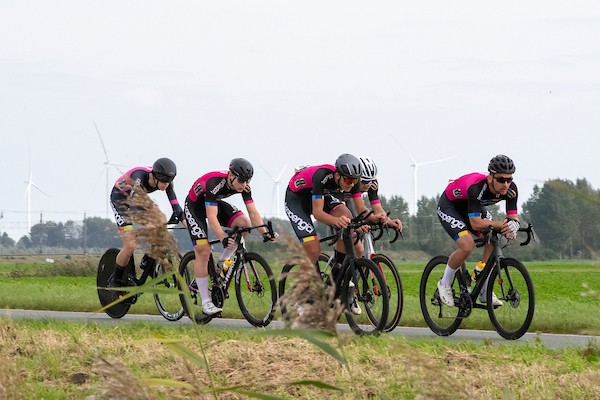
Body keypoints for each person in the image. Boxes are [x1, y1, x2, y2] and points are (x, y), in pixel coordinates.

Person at [184, 158, 278, 315]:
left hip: (213, 203)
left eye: (247, 181)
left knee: (244, 224)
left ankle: (223, 262)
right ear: (231, 175)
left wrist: (265, 233)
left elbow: (253, 213)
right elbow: (212, 217)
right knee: (203, 251)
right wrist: (223, 237)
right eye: (241, 180)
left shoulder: (244, 187)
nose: (244, 184)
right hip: (195, 207)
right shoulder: (214, 183)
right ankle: (206, 303)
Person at [436, 154, 520, 307]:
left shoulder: (512, 190)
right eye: (501, 180)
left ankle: (483, 286)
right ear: (490, 178)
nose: (506, 184)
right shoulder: (477, 188)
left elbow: (513, 217)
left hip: (471, 206)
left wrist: (514, 226)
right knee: (467, 245)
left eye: (509, 180)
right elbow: (475, 224)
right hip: (450, 206)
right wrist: (502, 225)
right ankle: (444, 283)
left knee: (493, 238)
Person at [108, 157, 185, 287]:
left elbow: (176, 208)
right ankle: (115, 280)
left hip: (139, 198)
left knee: (161, 219)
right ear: (154, 176)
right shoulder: (139, 177)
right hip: (120, 201)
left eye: (169, 181)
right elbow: (133, 204)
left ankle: (147, 260)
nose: (166, 184)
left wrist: (186, 222)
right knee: (130, 245)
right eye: (163, 181)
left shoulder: (166, 181)